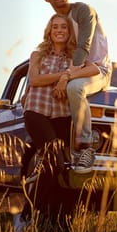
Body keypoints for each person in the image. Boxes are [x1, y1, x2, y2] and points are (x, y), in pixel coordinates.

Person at [39, 0, 112, 174]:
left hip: (98, 70)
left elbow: (83, 47)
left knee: (74, 88)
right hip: (75, 69)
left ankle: (86, 147)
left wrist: (65, 77)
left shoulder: (83, 10)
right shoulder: (60, 22)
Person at [23, 13, 99, 183]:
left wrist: (67, 78)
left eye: (64, 27)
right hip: (36, 112)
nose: (59, 30)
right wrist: (63, 75)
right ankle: (33, 196)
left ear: (69, 32)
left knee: (59, 167)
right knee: (55, 163)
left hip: (62, 116)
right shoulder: (37, 55)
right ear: (49, 32)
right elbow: (35, 80)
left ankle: (36, 207)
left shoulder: (75, 58)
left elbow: (94, 70)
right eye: (55, 27)